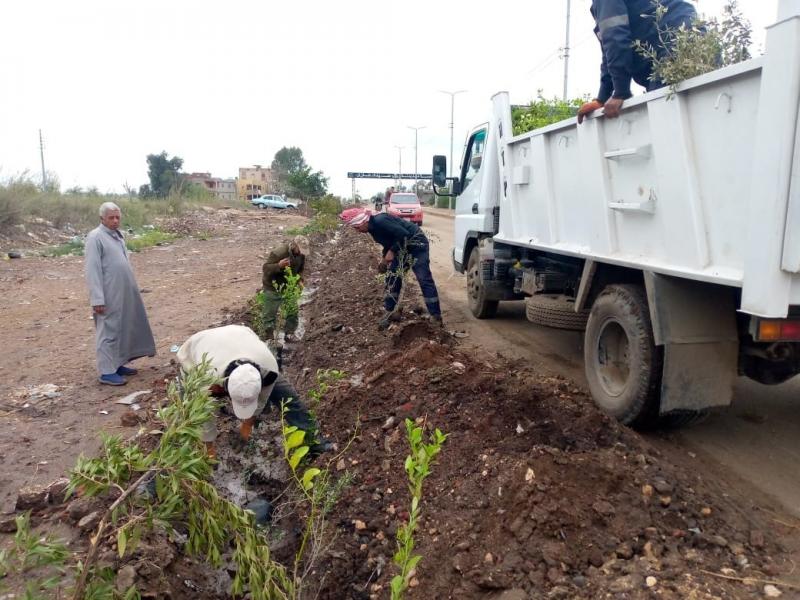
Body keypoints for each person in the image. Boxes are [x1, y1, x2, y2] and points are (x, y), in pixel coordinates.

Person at [176, 325, 325, 458]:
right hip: (196, 350)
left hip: (240, 335)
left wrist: (246, 427)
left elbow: (261, 399)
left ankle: (314, 441)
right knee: (189, 413)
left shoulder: (268, 366)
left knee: (287, 396)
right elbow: (205, 416)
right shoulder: (206, 377)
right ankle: (182, 452)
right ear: (223, 388)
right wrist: (210, 450)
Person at [577, 0, 698, 123]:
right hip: (697, 44)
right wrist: (602, 98)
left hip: (673, 49)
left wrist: (621, 92)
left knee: (664, 120)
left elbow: (615, 40)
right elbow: (610, 47)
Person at [84, 202, 156, 385]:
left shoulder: (117, 236)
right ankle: (106, 372)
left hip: (123, 292)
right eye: (111, 218)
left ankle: (118, 363)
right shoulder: (95, 238)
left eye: (117, 217)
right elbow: (92, 270)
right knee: (108, 330)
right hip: (108, 294)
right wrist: (97, 298)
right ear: (102, 219)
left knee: (123, 326)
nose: (115, 221)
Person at [339, 207, 442, 328]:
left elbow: (404, 234)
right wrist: (384, 260)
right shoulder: (372, 229)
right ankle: (390, 312)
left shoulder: (380, 221)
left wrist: (392, 252)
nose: (357, 230)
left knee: (423, 278)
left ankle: (436, 317)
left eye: (357, 227)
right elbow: (389, 242)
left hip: (416, 244)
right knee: (392, 277)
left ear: (363, 221)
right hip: (401, 246)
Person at [261, 236, 308, 340]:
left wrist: (299, 280)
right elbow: (266, 268)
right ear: (294, 246)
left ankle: (290, 333)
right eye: (300, 249)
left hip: (289, 285)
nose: (301, 253)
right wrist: (279, 265)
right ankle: (269, 338)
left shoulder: (301, 255)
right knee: (270, 313)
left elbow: (300, 270)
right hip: (273, 286)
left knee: (292, 310)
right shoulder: (279, 253)